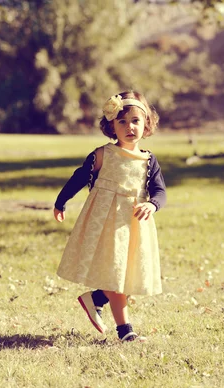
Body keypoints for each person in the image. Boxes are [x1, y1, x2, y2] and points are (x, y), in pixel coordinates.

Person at [53, 91, 166, 342]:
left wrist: (153, 205)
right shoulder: (103, 154)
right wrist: (61, 202)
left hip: (133, 224)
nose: (129, 127)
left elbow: (160, 190)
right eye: (122, 121)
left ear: (146, 123)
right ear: (111, 125)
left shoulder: (148, 160)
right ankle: (126, 331)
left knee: (125, 273)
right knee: (116, 273)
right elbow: (79, 178)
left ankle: (96, 298)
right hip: (105, 223)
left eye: (135, 121)